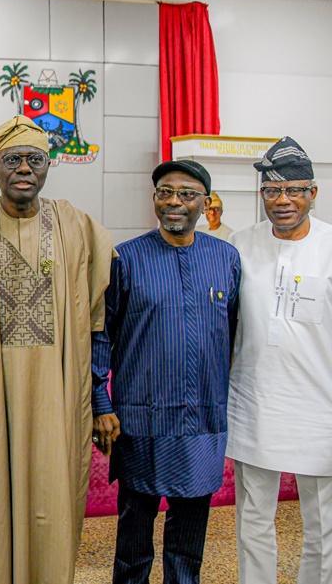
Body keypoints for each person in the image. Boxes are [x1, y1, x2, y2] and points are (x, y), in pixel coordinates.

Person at [0, 115, 114, 583]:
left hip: (57, 394)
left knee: (54, 491)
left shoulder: (78, 227)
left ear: (49, 165)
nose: (24, 169)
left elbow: (101, 320)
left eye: (35, 159)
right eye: (12, 159)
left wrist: (101, 399)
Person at [93, 160, 240, 583]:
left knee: (189, 535)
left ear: (205, 204)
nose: (175, 201)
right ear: (155, 199)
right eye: (165, 192)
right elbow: (101, 334)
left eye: (187, 194)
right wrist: (101, 401)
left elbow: (234, 333)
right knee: (134, 533)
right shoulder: (126, 258)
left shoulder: (226, 258)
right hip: (142, 416)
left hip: (202, 418)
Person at [227, 136, 332, 584]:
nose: (282, 200)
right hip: (255, 403)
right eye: (272, 190)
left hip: (321, 409)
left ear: (312, 193)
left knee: (324, 527)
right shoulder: (239, 244)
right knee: (253, 519)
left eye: (293, 190)